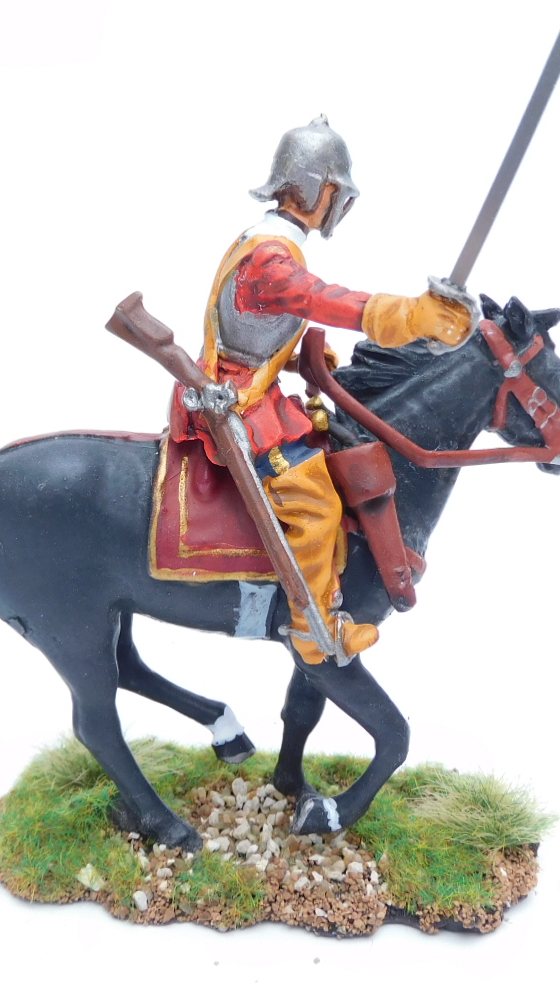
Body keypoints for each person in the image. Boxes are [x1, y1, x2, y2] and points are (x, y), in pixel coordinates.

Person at [169, 116, 477, 663]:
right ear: (317, 188)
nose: (339, 205)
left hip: (253, 385)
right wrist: (413, 316)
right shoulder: (271, 256)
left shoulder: (272, 243)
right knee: (314, 504)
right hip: (239, 402)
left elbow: (255, 326)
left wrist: (299, 357)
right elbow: (324, 300)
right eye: (336, 192)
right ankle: (315, 635)